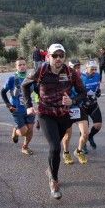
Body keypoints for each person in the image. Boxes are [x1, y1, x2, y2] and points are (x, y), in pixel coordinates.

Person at [22, 43, 86, 200]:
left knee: (56, 146)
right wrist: (29, 106)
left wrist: (73, 100)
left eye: (61, 55)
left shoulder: (70, 72)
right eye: (55, 55)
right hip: (46, 113)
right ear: (48, 56)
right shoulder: (41, 70)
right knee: (54, 147)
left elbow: (82, 92)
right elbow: (25, 85)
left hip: (64, 115)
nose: (58, 58)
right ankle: (54, 180)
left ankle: (50, 170)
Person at [1, 57, 36, 155]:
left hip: (29, 108)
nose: (22, 66)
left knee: (30, 129)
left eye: (24, 64)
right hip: (17, 109)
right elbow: (3, 92)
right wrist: (9, 105)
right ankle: (15, 132)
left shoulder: (31, 78)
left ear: (26, 66)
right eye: (19, 65)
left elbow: (38, 91)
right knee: (23, 131)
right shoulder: (12, 79)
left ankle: (25, 147)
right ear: (16, 67)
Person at [60, 58, 89, 165]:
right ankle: (66, 152)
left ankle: (79, 151)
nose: (77, 69)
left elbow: (84, 92)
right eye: (74, 67)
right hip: (67, 109)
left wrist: (75, 100)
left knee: (85, 133)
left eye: (78, 67)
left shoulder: (84, 77)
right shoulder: (63, 77)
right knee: (67, 136)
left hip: (78, 107)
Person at [81, 60, 103, 150]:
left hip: (93, 103)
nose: (94, 71)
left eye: (95, 69)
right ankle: (83, 144)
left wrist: (98, 92)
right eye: (92, 69)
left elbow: (98, 87)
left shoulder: (97, 75)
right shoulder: (81, 77)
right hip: (83, 105)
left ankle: (90, 137)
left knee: (98, 125)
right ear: (86, 68)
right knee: (84, 129)